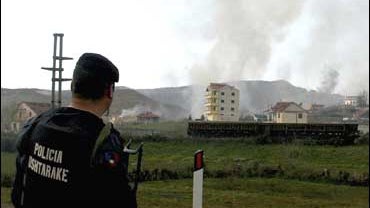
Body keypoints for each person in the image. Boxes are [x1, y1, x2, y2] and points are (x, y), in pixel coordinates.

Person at [11, 53, 137, 208]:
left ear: (72, 85)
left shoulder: (35, 124)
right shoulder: (105, 142)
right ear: (109, 92)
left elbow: (18, 194)